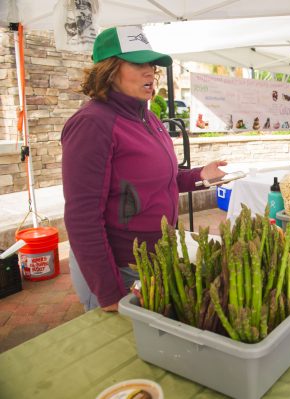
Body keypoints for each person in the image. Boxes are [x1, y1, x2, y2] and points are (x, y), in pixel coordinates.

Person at [61, 26, 227, 312]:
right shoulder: (92, 123)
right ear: (109, 70)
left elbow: (164, 179)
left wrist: (200, 175)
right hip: (120, 267)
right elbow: (81, 217)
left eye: (151, 64)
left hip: (156, 259)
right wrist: (110, 293)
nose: (149, 71)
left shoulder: (149, 118)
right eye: (138, 64)